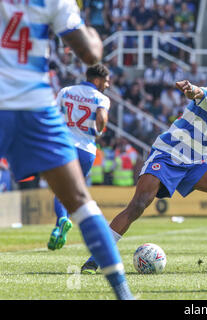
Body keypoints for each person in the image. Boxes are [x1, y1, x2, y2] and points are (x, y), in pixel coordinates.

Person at [80, 61, 207, 274]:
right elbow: (201, 93)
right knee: (138, 205)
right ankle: (95, 259)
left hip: (197, 161)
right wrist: (191, 89)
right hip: (169, 153)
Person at [0, 0, 133, 300]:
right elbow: (89, 54)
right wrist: (96, 39)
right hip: (35, 105)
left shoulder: (68, 91)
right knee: (81, 201)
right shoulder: (55, 2)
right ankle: (123, 294)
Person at [48, 64, 111, 250]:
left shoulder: (66, 91)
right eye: (106, 82)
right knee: (74, 190)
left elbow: (51, 112)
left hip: (65, 145)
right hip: (86, 151)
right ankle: (76, 222)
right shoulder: (101, 98)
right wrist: (99, 131)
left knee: (61, 189)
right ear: (97, 80)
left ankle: (62, 220)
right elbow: (102, 119)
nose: (107, 85)